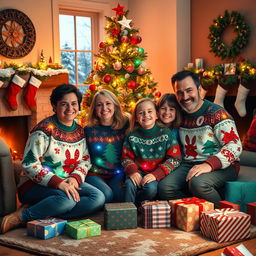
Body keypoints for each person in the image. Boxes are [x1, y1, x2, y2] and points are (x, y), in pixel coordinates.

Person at [0, 84, 105, 234]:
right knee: (66, 200)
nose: (70, 108)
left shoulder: (80, 131)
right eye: (64, 104)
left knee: (98, 197)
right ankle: (22, 217)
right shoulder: (43, 130)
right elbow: (29, 164)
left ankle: (40, 210)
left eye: (74, 103)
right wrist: (59, 183)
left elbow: (85, 159)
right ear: (54, 106)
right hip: (35, 184)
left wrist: (75, 178)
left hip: (68, 182)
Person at [158, 70, 242, 207]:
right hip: (188, 164)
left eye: (189, 90)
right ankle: (192, 211)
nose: (185, 97)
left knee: (198, 183)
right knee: (165, 187)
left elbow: (235, 145)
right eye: (180, 92)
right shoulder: (179, 114)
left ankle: (222, 216)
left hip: (224, 165)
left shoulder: (217, 113)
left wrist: (209, 164)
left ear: (199, 89)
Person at [122, 98, 182, 206]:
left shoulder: (165, 133)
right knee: (129, 185)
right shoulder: (132, 136)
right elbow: (126, 158)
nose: (146, 115)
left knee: (151, 189)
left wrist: (156, 174)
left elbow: (175, 158)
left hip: (155, 173)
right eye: (141, 113)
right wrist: (133, 171)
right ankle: (127, 212)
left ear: (157, 115)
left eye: (150, 111)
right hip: (137, 172)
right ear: (136, 118)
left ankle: (137, 206)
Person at [84, 89, 129, 203]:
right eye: (99, 105)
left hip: (118, 174)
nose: (104, 108)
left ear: (115, 105)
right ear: (94, 109)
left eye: (108, 103)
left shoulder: (126, 124)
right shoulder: (88, 130)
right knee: (107, 194)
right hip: (95, 174)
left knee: (120, 195)